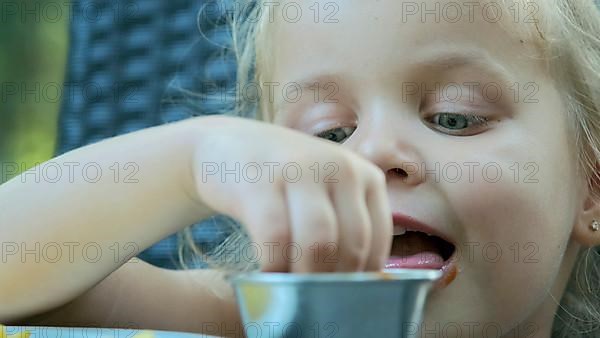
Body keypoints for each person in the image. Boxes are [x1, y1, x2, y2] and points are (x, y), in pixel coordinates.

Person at [2, 0, 599, 337]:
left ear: (592, 186)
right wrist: (193, 159)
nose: (370, 156)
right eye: (330, 134)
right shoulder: (246, 323)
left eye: (453, 118)